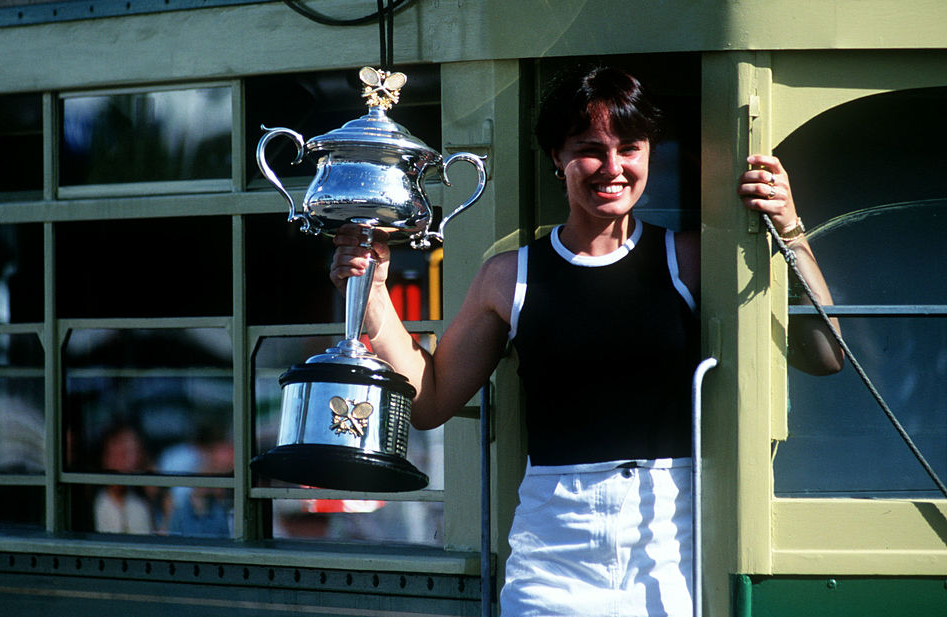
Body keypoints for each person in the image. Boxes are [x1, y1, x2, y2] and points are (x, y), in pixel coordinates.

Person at [330, 66, 842, 616]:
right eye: (590, 149)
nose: (613, 168)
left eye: (630, 147)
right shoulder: (510, 276)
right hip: (554, 551)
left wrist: (789, 228)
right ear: (556, 156)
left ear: (651, 154)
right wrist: (374, 292)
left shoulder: (692, 260)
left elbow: (826, 354)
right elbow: (430, 400)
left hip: (672, 541)